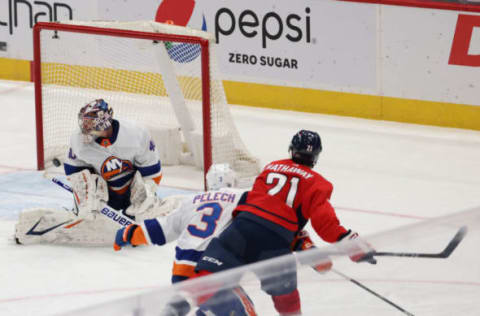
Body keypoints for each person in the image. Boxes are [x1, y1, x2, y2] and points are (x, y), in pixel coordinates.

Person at [193, 130, 376, 316]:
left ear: (291, 150)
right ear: (316, 156)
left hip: (241, 229)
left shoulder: (272, 167)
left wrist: (301, 242)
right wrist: (356, 247)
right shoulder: (319, 183)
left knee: (207, 282)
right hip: (274, 244)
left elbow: (257, 205)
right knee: (287, 300)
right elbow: (325, 224)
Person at [114, 163, 258, 316]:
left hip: (182, 273)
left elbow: (162, 228)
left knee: (210, 310)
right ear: (234, 181)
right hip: (211, 270)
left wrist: (130, 234)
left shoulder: (192, 201)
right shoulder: (241, 197)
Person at [15, 99, 164, 245]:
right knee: (88, 221)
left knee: (143, 220)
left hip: (132, 189)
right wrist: (86, 197)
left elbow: (152, 173)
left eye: (90, 123)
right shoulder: (79, 141)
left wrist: (144, 198)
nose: (85, 128)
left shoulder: (136, 134)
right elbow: (74, 171)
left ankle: (138, 209)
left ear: (104, 122)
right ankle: (33, 225)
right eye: (84, 122)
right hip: (104, 193)